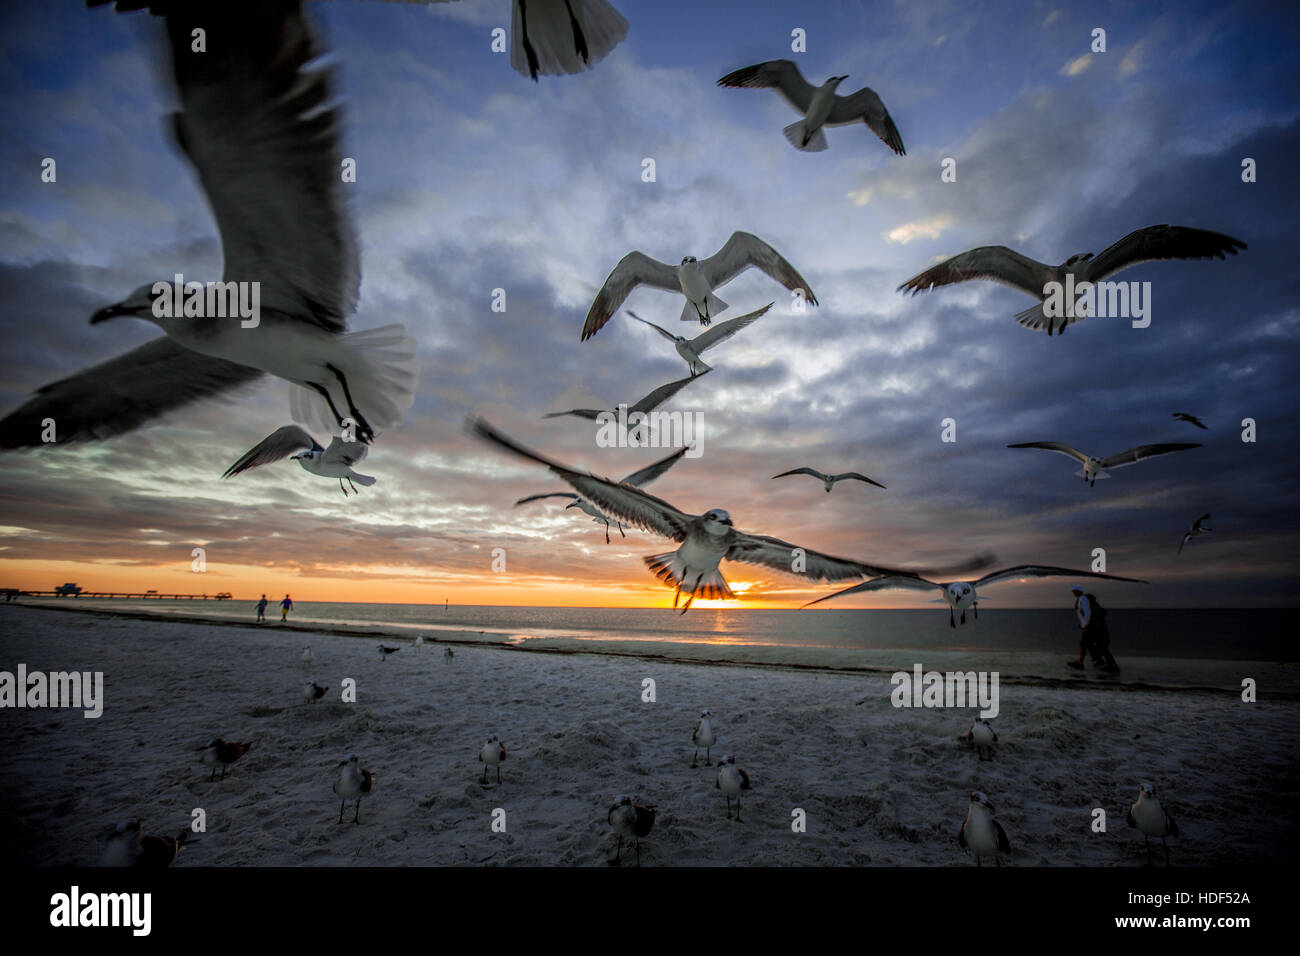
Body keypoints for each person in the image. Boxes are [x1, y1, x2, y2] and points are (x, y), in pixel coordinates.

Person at [1068, 586, 1120, 672]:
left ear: (1079, 591)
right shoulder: (1085, 599)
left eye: (1074, 591)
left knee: (1084, 643)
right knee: (1097, 645)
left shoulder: (1083, 599)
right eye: (1073, 591)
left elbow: (1087, 612)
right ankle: (1107, 663)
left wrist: (1085, 624)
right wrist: (1083, 624)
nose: (1073, 593)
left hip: (1092, 626)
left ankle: (1082, 663)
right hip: (1096, 625)